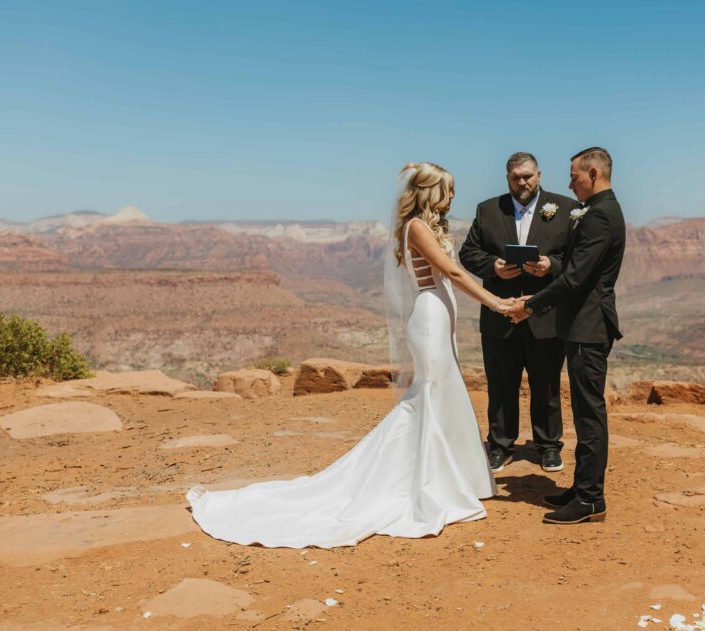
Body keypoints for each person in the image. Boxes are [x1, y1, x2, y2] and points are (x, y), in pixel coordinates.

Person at [187, 162, 510, 548]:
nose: (454, 196)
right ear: (429, 193)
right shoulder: (417, 228)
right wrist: (499, 304)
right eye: (448, 190)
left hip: (442, 316)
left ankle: (455, 479)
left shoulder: (430, 225)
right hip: (430, 316)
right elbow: (454, 275)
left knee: (442, 397)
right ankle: (427, 483)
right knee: (430, 397)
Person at [504, 147, 626, 525]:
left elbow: (576, 278)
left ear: (592, 173)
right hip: (581, 324)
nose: (570, 181)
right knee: (584, 412)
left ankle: (591, 499)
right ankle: (582, 487)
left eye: (574, 175)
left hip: (589, 326)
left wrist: (530, 306)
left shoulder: (601, 215)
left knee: (590, 416)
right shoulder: (599, 211)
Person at [459, 152, 579, 473]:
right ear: (507, 178)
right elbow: (468, 253)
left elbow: (578, 257)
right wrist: (493, 267)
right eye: (515, 177)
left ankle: (549, 446)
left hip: (546, 315)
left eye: (527, 176)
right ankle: (500, 445)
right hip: (500, 314)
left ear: (539, 174)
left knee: (547, 384)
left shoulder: (565, 208)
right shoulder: (488, 210)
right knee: (500, 385)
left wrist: (550, 265)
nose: (522, 182)